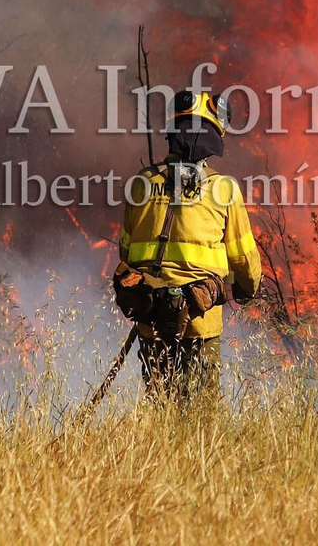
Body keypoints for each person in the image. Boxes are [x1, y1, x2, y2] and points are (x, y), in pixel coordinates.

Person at [113, 89, 262, 402]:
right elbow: (245, 261)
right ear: (214, 137)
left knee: (160, 406)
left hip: (151, 321)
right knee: (201, 415)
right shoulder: (224, 189)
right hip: (200, 323)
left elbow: (126, 253)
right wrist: (245, 290)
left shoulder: (141, 183)